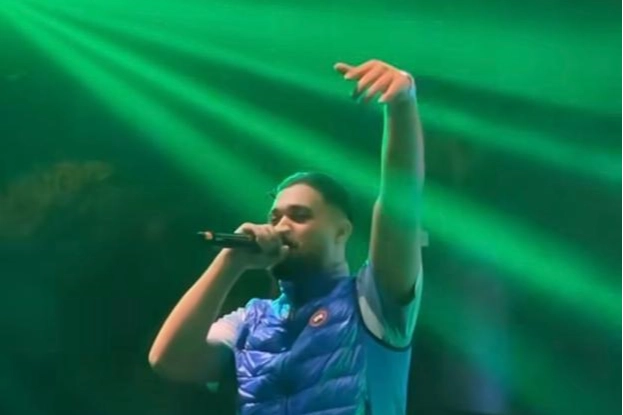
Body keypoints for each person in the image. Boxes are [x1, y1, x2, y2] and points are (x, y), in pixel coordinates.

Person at [148, 59, 425, 415]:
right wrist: (230, 262)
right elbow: (169, 360)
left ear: (342, 231)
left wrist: (402, 105)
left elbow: (400, 203)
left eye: (300, 216)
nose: (281, 226)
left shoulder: (373, 301)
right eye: (275, 217)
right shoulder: (250, 321)